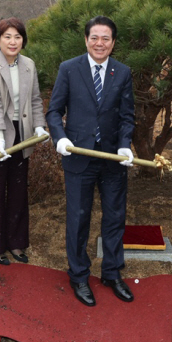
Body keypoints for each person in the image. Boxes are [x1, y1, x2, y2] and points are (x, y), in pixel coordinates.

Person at [46, 15, 136, 307]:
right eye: (94, 38)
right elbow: (54, 111)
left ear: (113, 43)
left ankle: (111, 272)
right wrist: (59, 137)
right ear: (86, 40)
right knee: (78, 217)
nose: (100, 43)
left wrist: (124, 146)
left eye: (105, 38)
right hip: (78, 157)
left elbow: (126, 116)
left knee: (114, 217)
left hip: (111, 159)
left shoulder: (122, 73)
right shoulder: (69, 69)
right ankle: (79, 275)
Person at [0, 18, 48, 265]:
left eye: (18, 37)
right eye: (7, 37)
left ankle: (16, 242)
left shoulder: (28, 65)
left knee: (17, 189)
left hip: (21, 131)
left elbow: (35, 99)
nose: (13, 42)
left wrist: (38, 126)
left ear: (23, 40)